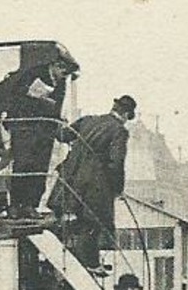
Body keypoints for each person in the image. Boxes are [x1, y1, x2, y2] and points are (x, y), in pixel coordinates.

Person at [48, 94, 136, 273]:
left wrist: (60, 121)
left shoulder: (88, 120)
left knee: (70, 218)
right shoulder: (119, 130)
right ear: (126, 115)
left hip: (70, 178)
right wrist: (117, 188)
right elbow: (116, 162)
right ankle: (90, 263)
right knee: (92, 223)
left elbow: (62, 135)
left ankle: (76, 258)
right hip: (94, 183)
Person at [0, 46, 80, 218]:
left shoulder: (61, 83)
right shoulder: (33, 74)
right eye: (63, 72)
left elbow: (57, 106)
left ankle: (31, 204)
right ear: (56, 65)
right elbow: (17, 98)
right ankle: (16, 204)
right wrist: (41, 102)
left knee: (40, 166)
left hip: (45, 131)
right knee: (23, 165)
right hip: (25, 128)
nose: (63, 77)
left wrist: (57, 120)